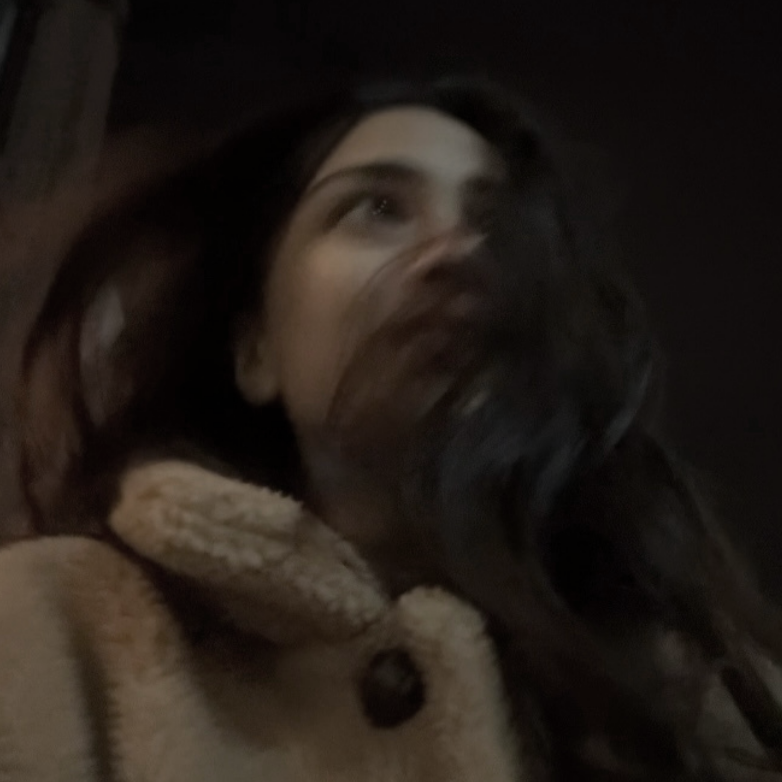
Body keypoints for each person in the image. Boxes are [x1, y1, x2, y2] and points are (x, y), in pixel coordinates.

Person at [2, 76, 781, 781]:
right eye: (376, 208)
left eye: (496, 223)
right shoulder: (50, 629)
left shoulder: (703, 690)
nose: (459, 252)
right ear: (255, 351)